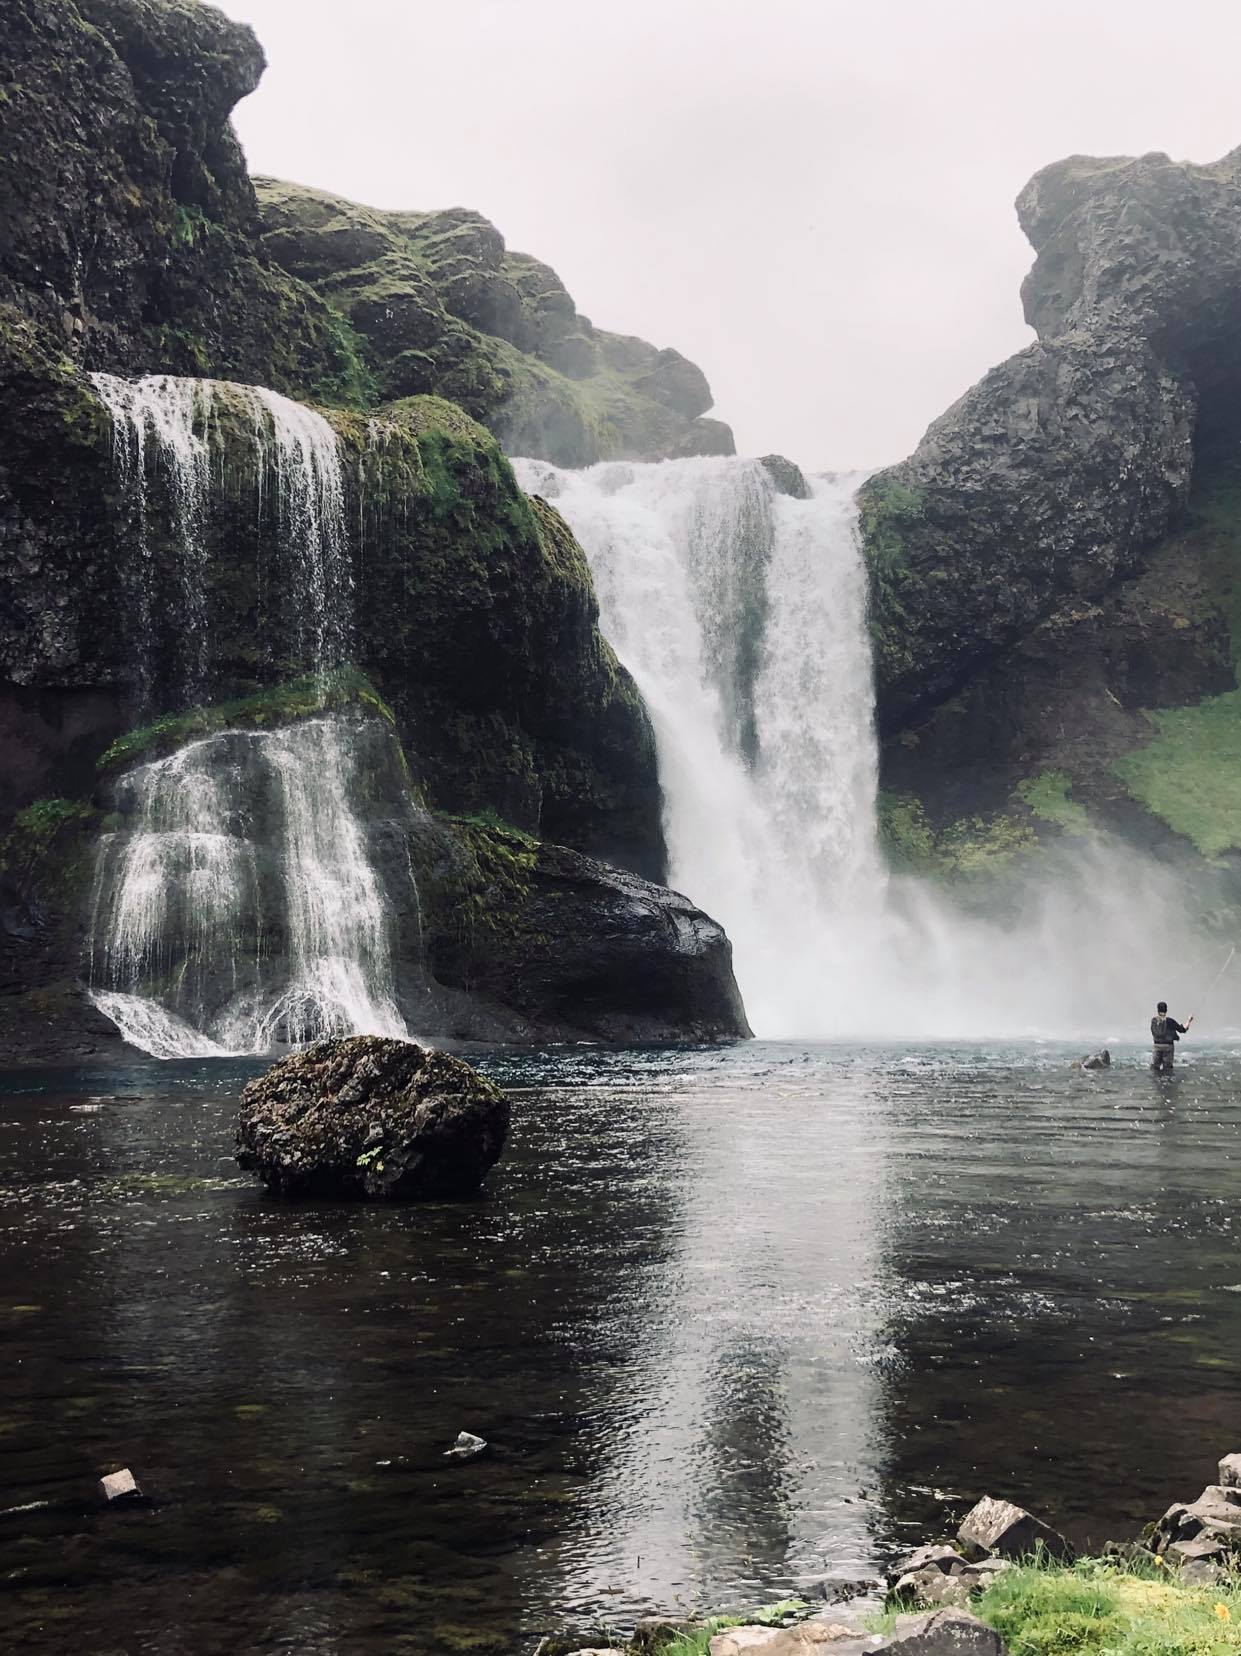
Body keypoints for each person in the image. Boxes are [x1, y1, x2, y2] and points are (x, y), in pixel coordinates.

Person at [1151, 1000, 1193, 1072]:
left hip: (1156, 1046)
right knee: (1167, 1069)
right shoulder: (1170, 1021)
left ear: (1158, 1010)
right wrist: (1189, 1020)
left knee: (1155, 1068)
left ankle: (1156, 1082)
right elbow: (1182, 1030)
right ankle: (1166, 1082)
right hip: (1168, 1047)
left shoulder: (1154, 1020)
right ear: (1166, 1010)